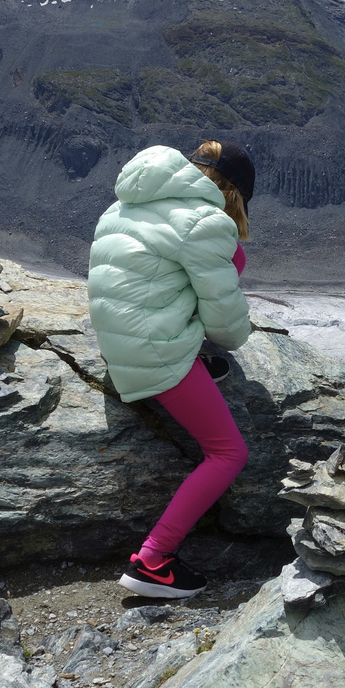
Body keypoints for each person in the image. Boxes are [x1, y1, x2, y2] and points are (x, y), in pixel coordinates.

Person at [88, 139, 257, 598]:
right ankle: (154, 561)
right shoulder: (205, 222)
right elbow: (227, 323)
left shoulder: (127, 200)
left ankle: (192, 361)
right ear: (235, 194)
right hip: (152, 352)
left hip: (117, 340)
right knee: (228, 453)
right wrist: (229, 338)